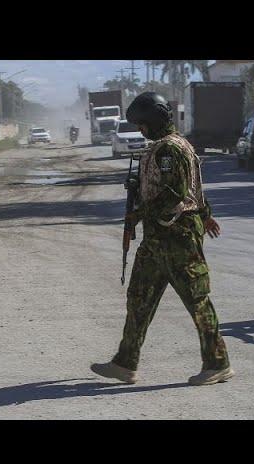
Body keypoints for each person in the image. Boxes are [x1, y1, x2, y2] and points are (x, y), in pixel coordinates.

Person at [90, 92, 233, 386]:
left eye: (142, 124)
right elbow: (191, 187)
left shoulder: (169, 149)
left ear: (153, 120)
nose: (140, 130)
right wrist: (205, 213)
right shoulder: (172, 146)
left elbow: (175, 194)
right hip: (158, 239)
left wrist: (138, 214)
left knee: (196, 299)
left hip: (177, 236)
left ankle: (217, 363)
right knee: (139, 297)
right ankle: (125, 362)